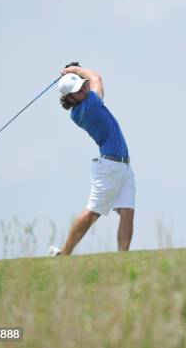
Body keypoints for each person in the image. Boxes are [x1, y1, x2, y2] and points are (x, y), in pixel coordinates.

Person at [49, 62, 135, 256]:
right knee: (92, 213)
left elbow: (91, 80)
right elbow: (96, 77)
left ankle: (123, 257)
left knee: (127, 212)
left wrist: (75, 74)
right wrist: (76, 71)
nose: (85, 87)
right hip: (110, 167)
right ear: (71, 97)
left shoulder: (82, 105)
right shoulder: (90, 106)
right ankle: (65, 253)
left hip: (123, 166)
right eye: (80, 88)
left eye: (83, 84)